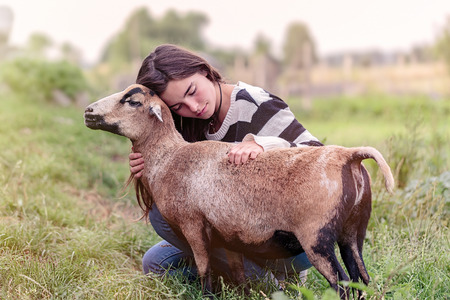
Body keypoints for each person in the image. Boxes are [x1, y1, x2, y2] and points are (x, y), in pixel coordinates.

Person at [129, 44, 323, 286]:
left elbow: (319, 156)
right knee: (157, 263)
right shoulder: (184, 124)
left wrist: (265, 145)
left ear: (204, 71)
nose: (193, 107)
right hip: (232, 233)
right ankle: (250, 278)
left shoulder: (256, 104)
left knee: (161, 218)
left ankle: (266, 283)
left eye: (192, 91)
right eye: (178, 106)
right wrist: (151, 168)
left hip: (288, 241)